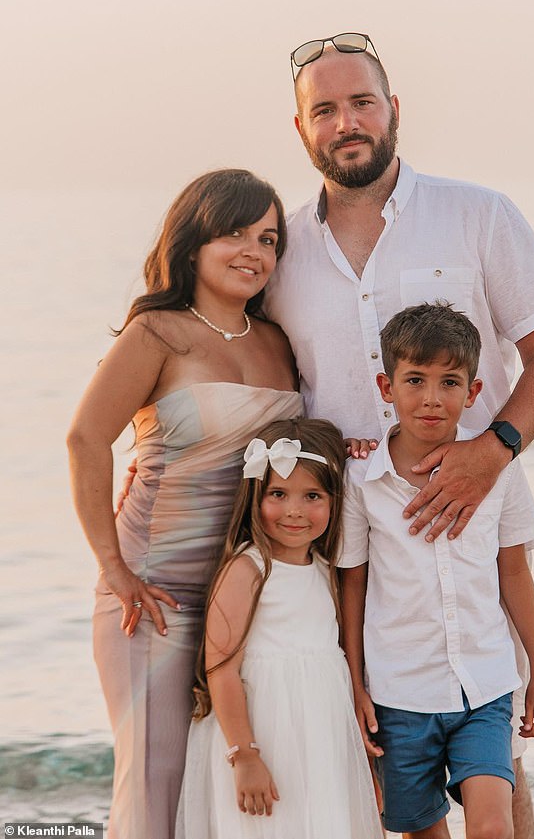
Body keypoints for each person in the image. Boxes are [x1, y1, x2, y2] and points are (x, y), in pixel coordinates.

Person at [264, 32, 534, 838]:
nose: (346, 122)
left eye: (361, 102)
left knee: (496, 761)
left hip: (472, 520)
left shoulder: (478, 215)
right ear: (301, 129)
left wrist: (493, 447)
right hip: (345, 542)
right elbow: (252, 377)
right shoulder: (281, 254)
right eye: (324, 110)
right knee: (374, 761)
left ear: (393, 110)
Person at [67, 169, 303, 839]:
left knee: (221, 799)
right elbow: (86, 439)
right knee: (154, 787)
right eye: (234, 233)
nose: (253, 251)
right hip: (155, 600)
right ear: (194, 238)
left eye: (268, 237)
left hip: (248, 600)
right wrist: (114, 567)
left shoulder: (279, 341)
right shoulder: (158, 333)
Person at [340, 302, 534, 839]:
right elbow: (354, 584)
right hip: (400, 692)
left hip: (484, 685)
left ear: (474, 392)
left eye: (449, 382)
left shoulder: (501, 475)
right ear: (386, 387)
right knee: (422, 833)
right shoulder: (362, 481)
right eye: (415, 380)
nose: (432, 398)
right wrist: (355, 682)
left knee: (491, 828)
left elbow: (515, 575)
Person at [175, 417, 383, 839]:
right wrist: (244, 755)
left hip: (321, 735)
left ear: (335, 499)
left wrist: (357, 760)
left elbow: (333, 664)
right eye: (278, 494)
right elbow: (222, 668)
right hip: (261, 734)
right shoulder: (248, 568)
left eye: (312, 496)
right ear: (256, 494)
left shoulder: (327, 571)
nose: (294, 511)